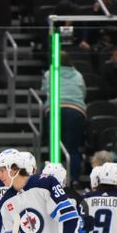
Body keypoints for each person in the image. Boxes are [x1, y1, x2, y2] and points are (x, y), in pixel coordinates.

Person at [42, 51, 87, 182]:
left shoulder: (50, 73)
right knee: (73, 148)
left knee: (55, 147)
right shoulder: (78, 75)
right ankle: (74, 179)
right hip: (76, 111)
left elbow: (45, 90)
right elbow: (83, 93)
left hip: (55, 110)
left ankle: (53, 179)